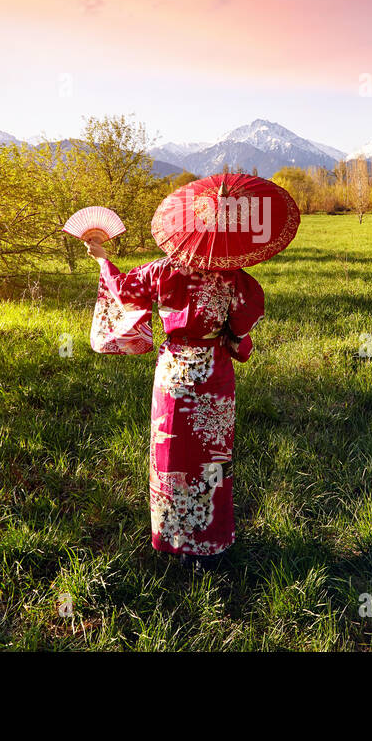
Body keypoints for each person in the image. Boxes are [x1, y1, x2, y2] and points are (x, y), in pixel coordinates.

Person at [84, 238, 264, 566]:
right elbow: (240, 332)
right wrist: (232, 339)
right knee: (213, 455)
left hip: (174, 371)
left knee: (170, 454)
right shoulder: (234, 276)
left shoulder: (163, 268)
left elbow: (124, 290)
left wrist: (102, 260)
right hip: (214, 373)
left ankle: (173, 539)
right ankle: (211, 542)